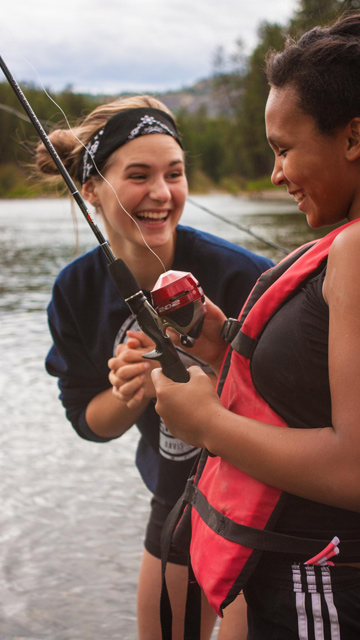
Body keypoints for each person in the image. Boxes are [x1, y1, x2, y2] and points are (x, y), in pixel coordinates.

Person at [150, 13, 360, 640]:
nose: (275, 173)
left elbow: (354, 468)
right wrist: (215, 341)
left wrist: (205, 422)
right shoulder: (341, 248)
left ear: (353, 137)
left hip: (326, 582)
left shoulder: (354, 254)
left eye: (284, 149)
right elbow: (313, 398)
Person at [36, 94, 273, 639]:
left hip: (261, 507)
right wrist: (130, 391)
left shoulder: (246, 277)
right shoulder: (75, 290)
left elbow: (300, 406)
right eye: (139, 175)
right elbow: (87, 420)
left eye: (175, 173)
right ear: (91, 188)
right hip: (175, 501)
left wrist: (211, 383)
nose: (162, 194)